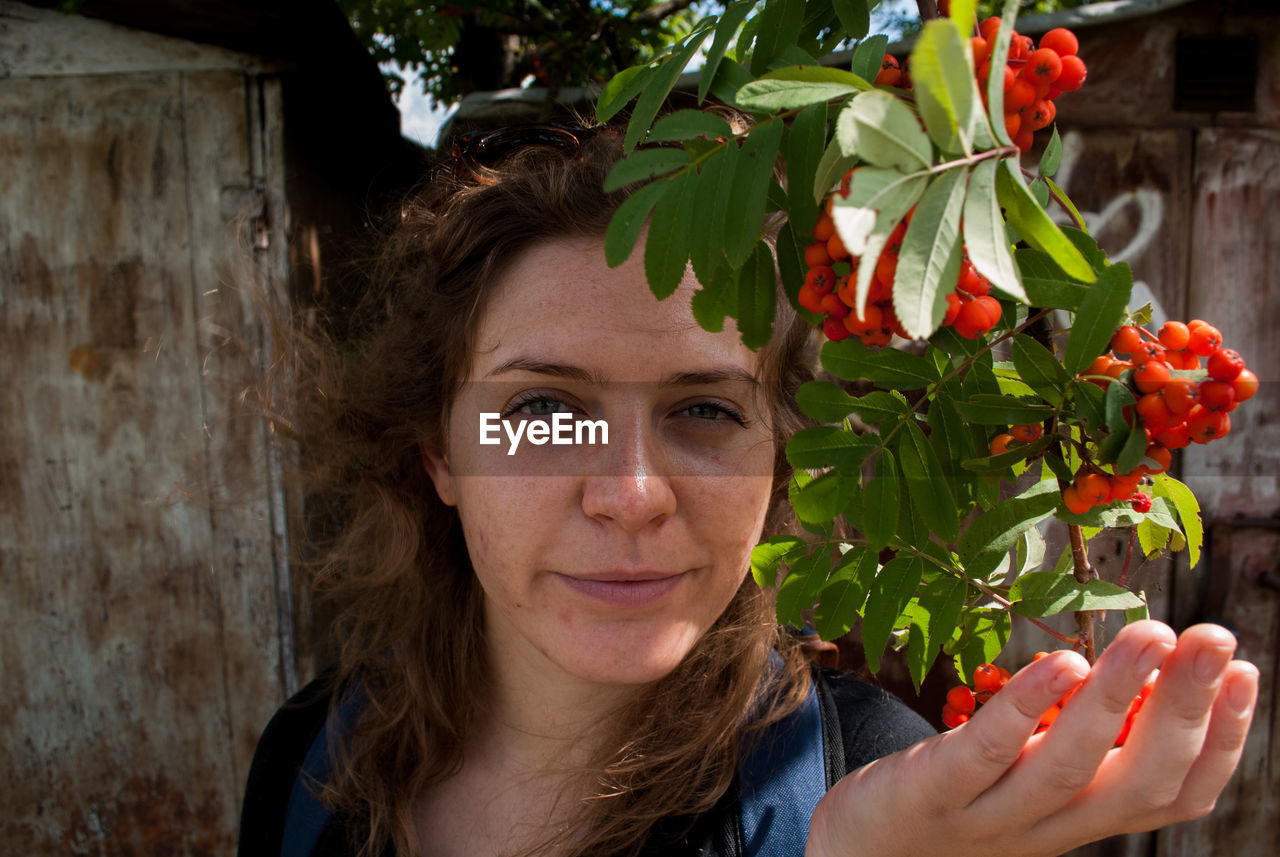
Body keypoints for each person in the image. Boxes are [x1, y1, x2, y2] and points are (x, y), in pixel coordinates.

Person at [237, 120, 1259, 857]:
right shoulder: (310, 756)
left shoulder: (867, 783)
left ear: (777, 455)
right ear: (437, 455)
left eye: (703, 409)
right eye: (545, 412)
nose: (631, 493)